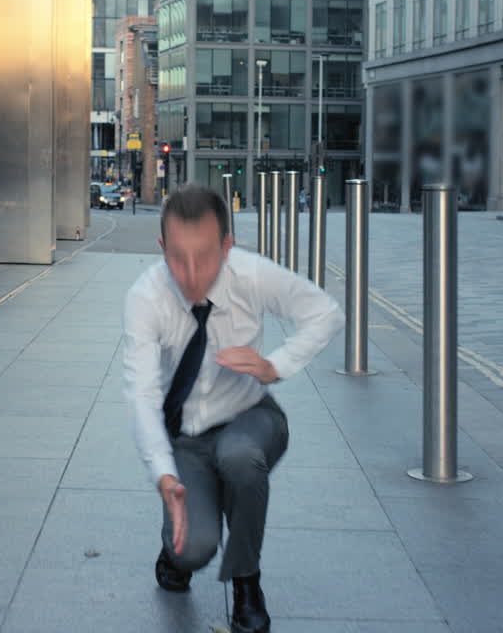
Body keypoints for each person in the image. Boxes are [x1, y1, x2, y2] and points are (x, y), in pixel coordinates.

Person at [122, 184, 344, 633]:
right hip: (186, 434)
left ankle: (247, 583)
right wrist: (165, 476)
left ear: (227, 245)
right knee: (195, 548)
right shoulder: (145, 298)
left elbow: (325, 312)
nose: (190, 273)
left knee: (239, 458)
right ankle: (176, 550)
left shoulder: (251, 275)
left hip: (252, 417)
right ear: (161, 246)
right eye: (176, 257)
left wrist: (273, 365)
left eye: (204, 256)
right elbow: (142, 394)